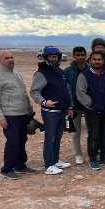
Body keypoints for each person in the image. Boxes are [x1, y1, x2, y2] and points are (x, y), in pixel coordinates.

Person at [0, 50, 36, 180]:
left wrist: (29, 109)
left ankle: (20, 165)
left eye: (11, 57)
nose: (10, 60)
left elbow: (24, 94)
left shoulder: (17, 74)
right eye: (6, 58)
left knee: (22, 140)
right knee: (13, 141)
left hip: (23, 114)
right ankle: (7, 169)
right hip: (10, 115)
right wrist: (0, 118)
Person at [30, 46, 74, 175]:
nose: (53, 59)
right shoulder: (41, 73)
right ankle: (49, 165)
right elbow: (34, 91)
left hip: (62, 110)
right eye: (51, 57)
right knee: (50, 138)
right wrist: (44, 102)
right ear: (46, 58)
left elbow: (67, 90)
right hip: (50, 113)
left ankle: (55, 160)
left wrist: (69, 106)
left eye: (55, 57)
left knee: (58, 137)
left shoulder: (60, 72)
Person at [76, 51, 105, 170]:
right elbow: (80, 93)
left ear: (103, 61)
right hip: (92, 112)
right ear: (90, 60)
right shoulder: (84, 75)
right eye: (94, 59)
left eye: (99, 59)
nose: (97, 61)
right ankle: (93, 159)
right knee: (94, 136)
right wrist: (91, 104)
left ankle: (104, 158)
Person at [64, 47, 88, 164]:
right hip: (74, 106)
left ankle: (93, 151)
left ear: (86, 55)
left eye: (82, 55)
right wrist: (68, 106)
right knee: (75, 132)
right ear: (73, 56)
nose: (80, 57)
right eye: (78, 55)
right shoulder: (68, 71)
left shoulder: (91, 70)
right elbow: (65, 89)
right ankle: (78, 154)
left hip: (89, 106)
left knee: (93, 131)